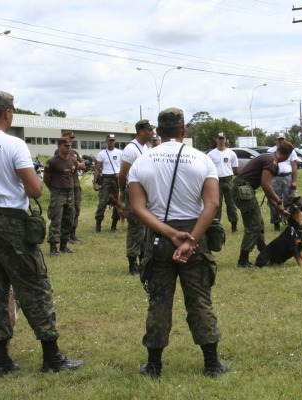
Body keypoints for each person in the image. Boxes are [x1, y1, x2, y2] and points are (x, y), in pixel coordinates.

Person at [128, 107, 227, 378]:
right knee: (199, 299)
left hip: (159, 236)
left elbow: (138, 208)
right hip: (195, 234)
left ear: (158, 131)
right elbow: (213, 204)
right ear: (183, 131)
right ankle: (212, 364)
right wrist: (192, 238)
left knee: (159, 301)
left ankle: (154, 366)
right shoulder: (203, 160)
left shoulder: (141, 162)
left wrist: (170, 234)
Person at [0, 91, 83, 376]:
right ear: (8, 113)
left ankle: (0, 360)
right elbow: (35, 190)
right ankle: (52, 356)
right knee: (34, 286)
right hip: (11, 222)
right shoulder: (13, 145)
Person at [232, 142, 293, 268]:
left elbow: (266, 189)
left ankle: (266, 253)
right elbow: (266, 184)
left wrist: (277, 207)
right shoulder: (272, 161)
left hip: (244, 188)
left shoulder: (269, 157)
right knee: (253, 225)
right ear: (288, 155)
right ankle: (243, 261)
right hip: (243, 189)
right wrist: (280, 202)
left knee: (259, 223)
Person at [117, 119, 154, 275]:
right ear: (142, 131)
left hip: (144, 192)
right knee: (136, 228)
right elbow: (122, 174)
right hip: (133, 192)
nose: (153, 133)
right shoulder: (131, 149)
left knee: (144, 228)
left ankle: (143, 260)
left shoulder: (144, 147)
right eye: (150, 130)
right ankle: (132, 263)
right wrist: (122, 191)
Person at [43, 137, 77, 256]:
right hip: (58, 193)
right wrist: (53, 189)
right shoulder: (53, 161)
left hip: (70, 193)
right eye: (65, 146)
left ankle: (64, 245)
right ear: (59, 146)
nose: (68, 148)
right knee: (56, 219)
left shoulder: (72, 161)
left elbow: (73, 175)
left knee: (69, 219)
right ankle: (53, 247)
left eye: (69, 146)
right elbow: (46, 179)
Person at [207, 132, 239, 232]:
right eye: (219, 138)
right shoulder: (211, 154)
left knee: (231, 204)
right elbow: (208, 168)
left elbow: (235, 169)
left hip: (229, 179)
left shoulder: (231, 153)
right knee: (217, 204)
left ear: (226, 140)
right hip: (216, 181)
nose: (221, 140)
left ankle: (234, 226)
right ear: (216, 140)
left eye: (223, 138)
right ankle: (217, 226)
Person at [267, 135, 298, 231]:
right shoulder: (270, 151)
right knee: (275, 200)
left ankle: (290, 221)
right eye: (279, 139)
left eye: (283, 139)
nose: (281, 141)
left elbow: (294, 166)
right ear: (276, 140)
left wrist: (294, 181)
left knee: (290, 200)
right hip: (275, 178)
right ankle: (276, 222)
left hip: (287, 177)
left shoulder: (291, 151)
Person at [93, 134, 122, 232]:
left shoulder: (120, 152)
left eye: (113, 140)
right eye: (110, 140)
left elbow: (124, 166)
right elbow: (97, 168)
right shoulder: (102, 153)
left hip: (117, 178)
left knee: (118, 203)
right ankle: (98, 225)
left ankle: (114, 225)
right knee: (102, 202)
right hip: (106, 178)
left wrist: (122, 175)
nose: (111, 142)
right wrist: (95, 182)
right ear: (106, 140)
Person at [59, 131, 84, 243]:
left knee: (76, 209)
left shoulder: (74, 152)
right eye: (70, 137)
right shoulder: (59, 151)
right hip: (65, 185)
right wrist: (75, 164)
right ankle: (65, 234)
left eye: (73, 138)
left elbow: (83, 165)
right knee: (67, 211)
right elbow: (62, 164)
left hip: (75, 184)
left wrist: (75, 164)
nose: (71, 140)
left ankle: (73, 233)